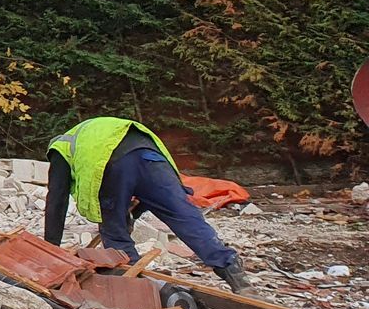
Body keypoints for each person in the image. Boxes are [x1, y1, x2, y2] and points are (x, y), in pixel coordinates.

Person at [44, 116, 252, 292]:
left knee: (114, 232)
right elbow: (144, 190)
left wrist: (50, 249)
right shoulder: (92, 132)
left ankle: (137, 286)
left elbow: (57, 200)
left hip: (111, 162)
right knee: (183, 216)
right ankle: (232, 270)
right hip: (151, 155)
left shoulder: (60, 149)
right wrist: (131, 214)